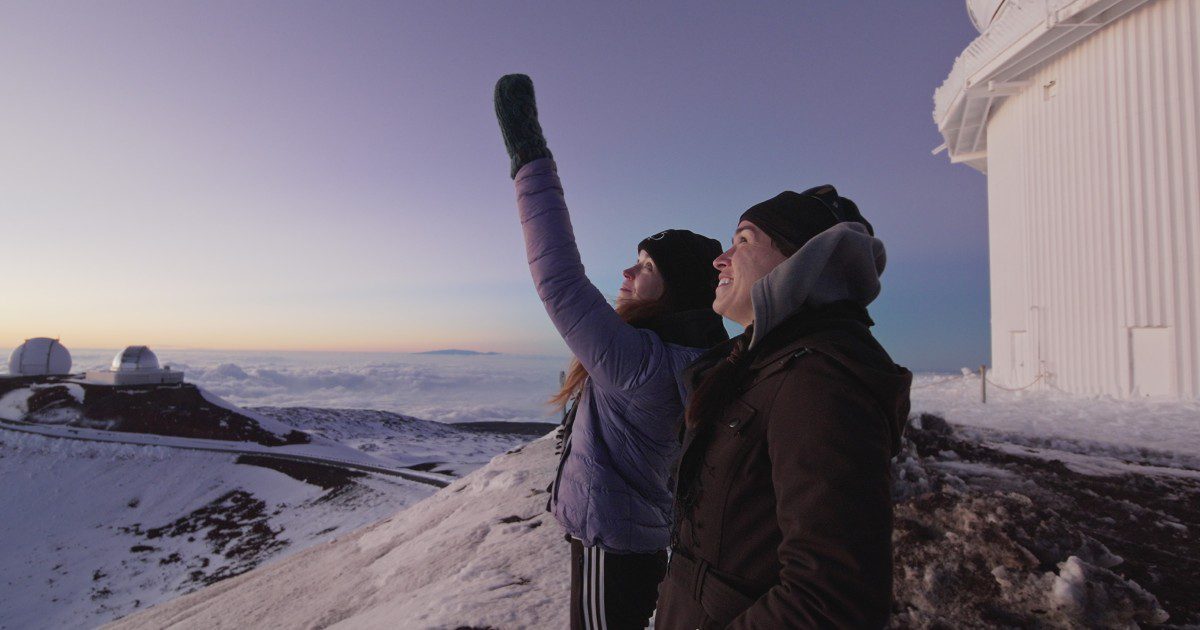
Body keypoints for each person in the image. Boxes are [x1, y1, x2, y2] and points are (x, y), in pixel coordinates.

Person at [494, 74, 729, 630]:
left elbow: (559, 279)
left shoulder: (640, 360)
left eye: (646, 266)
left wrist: (529, 158)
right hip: (639, 532)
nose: (626, 272)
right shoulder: (691, 353)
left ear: (678, 290)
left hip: (613, 541)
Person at [654, 188, 913, 628]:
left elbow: (831, 598)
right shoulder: (763, 366)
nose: (720, 258)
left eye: (744, 241)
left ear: (804, 260)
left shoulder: (819, 382)